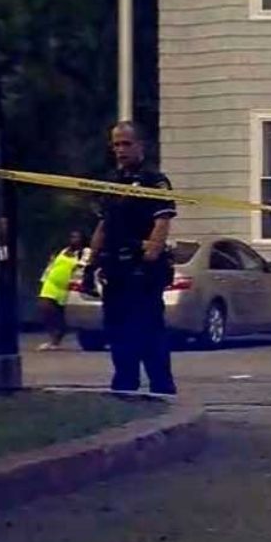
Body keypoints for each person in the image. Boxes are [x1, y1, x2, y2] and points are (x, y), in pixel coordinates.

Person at [83, 122, 179, 395]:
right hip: (115, 268)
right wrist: (90, 264)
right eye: (116, 144)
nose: (120, 150)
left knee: (149, 330)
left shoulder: (154, 181)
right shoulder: (112, 182)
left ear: (140, 146)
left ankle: (161, 388)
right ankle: (125, 387)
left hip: (142, 269)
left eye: (126, 144)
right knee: (117, 330)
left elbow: (162, 222)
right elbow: (103, 226)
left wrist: (150, 256)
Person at [36, 231, 87, 351]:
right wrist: (44, 279)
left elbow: (83, 266)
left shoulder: (84, 252)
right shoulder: (62, 250)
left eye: (77, 237)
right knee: (44, 307)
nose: (74, 239)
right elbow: (51, 265)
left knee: (58, 312)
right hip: (51, 283)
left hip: (65, 287)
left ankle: (56, 339)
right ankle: (52, 336)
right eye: (72, 237)